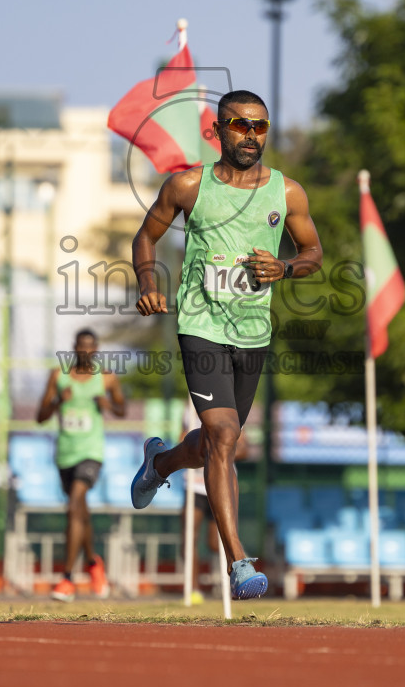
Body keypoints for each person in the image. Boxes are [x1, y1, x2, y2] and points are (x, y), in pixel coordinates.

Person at [130, 90, 322, 600]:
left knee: (221, 441)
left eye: (260, 127)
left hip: (252, 333)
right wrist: (148, 283)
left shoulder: (289, 193)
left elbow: (313, 254)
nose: (251, 136)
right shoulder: (189, 187)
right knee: (223, 433)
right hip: (201, 325)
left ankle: (162, 462)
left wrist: (283, 267)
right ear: (218, 130)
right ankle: (239, 562)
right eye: (240, 126)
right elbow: (144, 238)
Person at [37, 327, 126, 602]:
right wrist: (55, 402)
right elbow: (40, 416)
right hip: (65, 453)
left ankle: (67, 579)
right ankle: (93, 562)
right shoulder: (58, 376)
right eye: (81, 346)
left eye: (90, 347)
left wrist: (108, 405)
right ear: (74, 348)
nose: (85, 351)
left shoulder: (106, 379)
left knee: (75, 505)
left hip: (91, 452)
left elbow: (123, 410)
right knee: (80, 513)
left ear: (96, 350)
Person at [180, 407, 249, 604]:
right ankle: (193, 590)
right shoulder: (189, 412)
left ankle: (241, 569)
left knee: (216, 542)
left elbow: (244, 448)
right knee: (188, 537)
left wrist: (218, 454)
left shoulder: (228, 410)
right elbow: (181, 441)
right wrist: (194, 447)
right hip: (193, 485)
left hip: (221, 487)